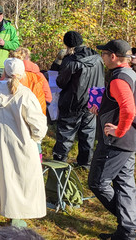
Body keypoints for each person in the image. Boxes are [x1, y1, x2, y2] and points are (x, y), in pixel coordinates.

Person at [0, 58, 47, 228]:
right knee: (17, 178)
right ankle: (15, 215)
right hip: (20, 143)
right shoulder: (25, 94)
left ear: (3, 71)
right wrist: (36, 139)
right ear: (22, 74)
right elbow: (38, 124)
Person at [89, 39, 136, 240]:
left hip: (117, 142)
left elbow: (129, 109)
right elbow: (130, 106)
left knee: (98, 182)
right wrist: (103, 107)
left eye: (103, 54)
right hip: (132, 140)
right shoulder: (134, 77)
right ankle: (127, 232)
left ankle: (131, 218)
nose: (102, 57)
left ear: (112, 56)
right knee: (124, 184)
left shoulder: (119, 79)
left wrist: (119, 131)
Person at [52, 31, 104, 169]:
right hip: (93, 100)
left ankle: (59, 162)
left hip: (72, 102)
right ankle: (85, 163)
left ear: (68, 45)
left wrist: (59, 62)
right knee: (88, 134)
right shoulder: (97, 58)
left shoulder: (71, 61)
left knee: (66, 133)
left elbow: (60, 82)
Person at [9, 48, 49, 115]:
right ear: (29, 58)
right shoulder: (38, 75)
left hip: (14, 111)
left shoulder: (9, 73)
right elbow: (48, 96)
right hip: (36, 110)